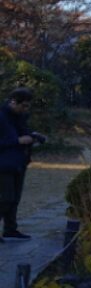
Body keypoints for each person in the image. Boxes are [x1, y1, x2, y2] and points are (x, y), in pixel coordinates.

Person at [0, 87, 39, 243]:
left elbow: (24, 133)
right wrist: (17, 141)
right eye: (23, 106)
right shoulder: (1, 116)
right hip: (4, 163)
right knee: (6, 198)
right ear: (13, 102)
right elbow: (11, 140)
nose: (25, 109)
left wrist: (33, 137)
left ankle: (10, 229)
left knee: (15, 199)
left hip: (19, 161)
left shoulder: (20, 117)